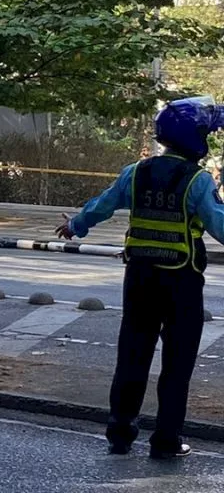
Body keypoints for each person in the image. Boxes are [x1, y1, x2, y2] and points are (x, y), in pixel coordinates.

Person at [57, 97, 224, 459]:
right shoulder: (197, 181)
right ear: (195, 139)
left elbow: (103, 204)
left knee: (132, 355)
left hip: (139, 280)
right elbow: (219, 224)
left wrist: (75, 225)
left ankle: (120, 432)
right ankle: (166, 440)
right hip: (181, 282)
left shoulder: (136, 172)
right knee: (177, 365)